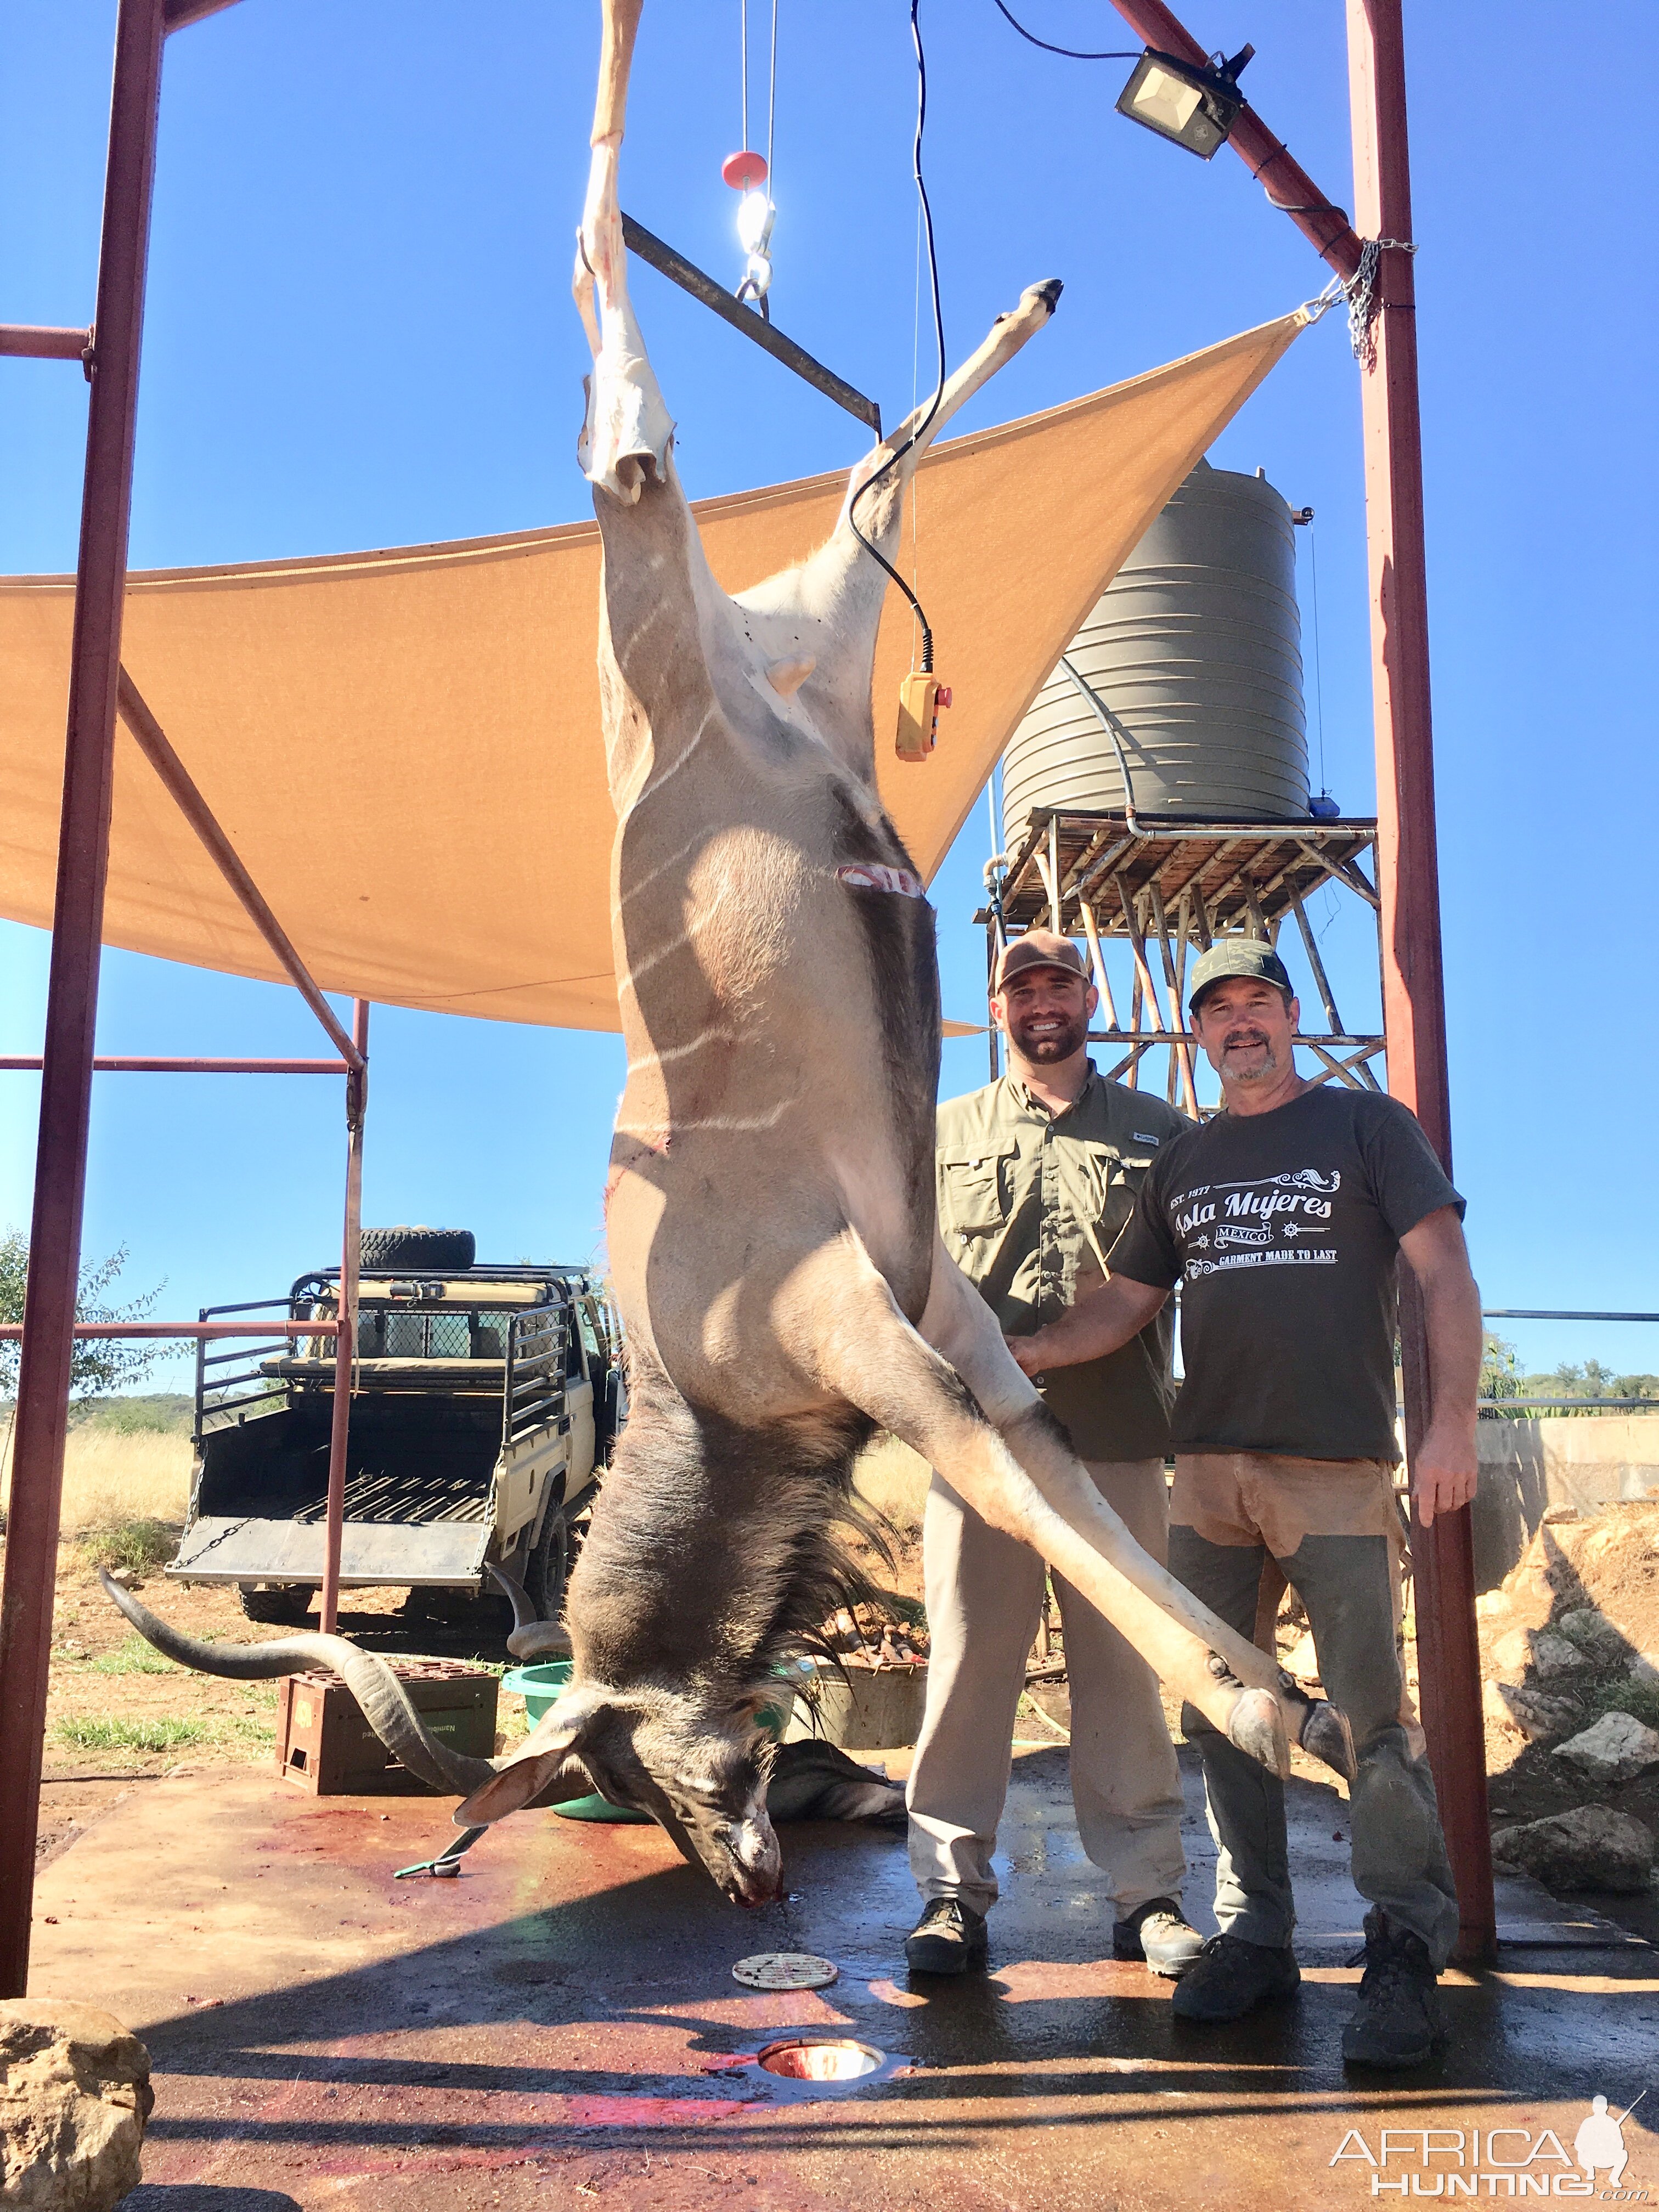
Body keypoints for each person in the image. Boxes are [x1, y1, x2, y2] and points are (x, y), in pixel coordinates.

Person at [1007, 938, 1480, 2069]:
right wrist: (1018, 1353)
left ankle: (1405, 1943)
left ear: (1292, 1008)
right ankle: (1261, 1930)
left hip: (1337, 1471)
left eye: (1257, 1002)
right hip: (1207, 1475)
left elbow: (1446, 1270)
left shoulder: (1368, 1126)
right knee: (1224, 1714)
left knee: (1372, 1720)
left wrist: (1450, 1423)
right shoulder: (1187, 1158)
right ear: (1200, 1033)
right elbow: (1122, 1305)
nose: (1240, 1025)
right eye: (1217, 1011)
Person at [904, 929, 1204, 1980]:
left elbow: (1181, 1286)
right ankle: (952, 1892)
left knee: (1124, 1667)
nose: (1042, 1003)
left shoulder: (1166, 1134)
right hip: (977, 1448)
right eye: (1022, 989)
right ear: (999, 1010)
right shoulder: (937, 1137)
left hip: (1115, 1444)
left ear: (1090, 999)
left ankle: (1148, 1895)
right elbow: (903, 1281)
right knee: (971, 1663)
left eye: (1060, 985)